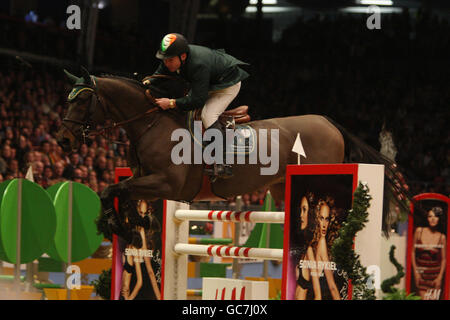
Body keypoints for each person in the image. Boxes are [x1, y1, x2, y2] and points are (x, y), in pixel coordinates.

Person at [143, 33, 249, 179]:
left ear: (183, 57)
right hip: (210, 80)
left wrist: (172, 103)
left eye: (170, 60)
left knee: (208, 115)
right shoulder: (174, 56)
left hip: (227, 85)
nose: (167, 64)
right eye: (165, 59)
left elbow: (198, 100)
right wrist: (148, 82)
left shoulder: (198, 64)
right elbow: (161, 71)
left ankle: (223, 164)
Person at [411, 206, 447, 300]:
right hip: (421, 275)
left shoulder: (442, 237)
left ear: (439, 219)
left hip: (435, 276)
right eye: (430, 216)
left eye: (436, 216)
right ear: (427, 218)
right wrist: (415, 272)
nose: (433, 219)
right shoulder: (419, 231)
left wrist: (439, 278)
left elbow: (444, 259)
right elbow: (412, 252)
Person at [311, 197, 341, 300]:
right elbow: (332, 286)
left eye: (327, 219)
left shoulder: (313, 244)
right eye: (321, 218)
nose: (324, 224)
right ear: (316, 219)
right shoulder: (321, 243)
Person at [292, 192, 322, 300]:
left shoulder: (309, 249)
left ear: (311, 214)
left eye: (304, 210)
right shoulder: (305, 247)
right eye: (300, 209)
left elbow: (318, 294)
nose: (301, 215)